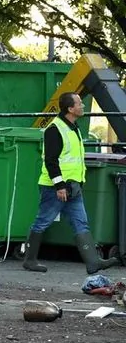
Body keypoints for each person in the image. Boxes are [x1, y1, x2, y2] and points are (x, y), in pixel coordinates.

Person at [23, 92, 116, 274]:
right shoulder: (55, 129)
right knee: (43, 221)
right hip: (56, 188)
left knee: (81, 223)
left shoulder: (74, 127)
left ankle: (93, 263)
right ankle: (30, 260)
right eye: (80, 103)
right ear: (70, 109)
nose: (83, 106)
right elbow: (50, 160)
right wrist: (59, 185)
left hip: (73, 187)